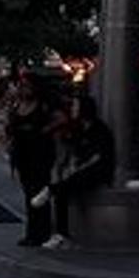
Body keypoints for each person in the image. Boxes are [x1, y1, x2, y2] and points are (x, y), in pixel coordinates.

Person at [45, 93, 114, 247]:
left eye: (76, 106)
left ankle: (51, 192)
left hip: (97, 171)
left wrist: (78, 167)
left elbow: (98, 157)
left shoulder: (99, 129)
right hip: (81, 171)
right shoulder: (78, 129)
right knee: (63, 189)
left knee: (62, 189)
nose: (73, 109)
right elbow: (74, 153)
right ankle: (60, 231)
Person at [5, 72, 62, 248]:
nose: (24, 88)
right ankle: (32, 231)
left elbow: (60, 119)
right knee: (28, 192)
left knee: (38, 192)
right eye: (22, 85)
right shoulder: (18, 105)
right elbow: (11, 126)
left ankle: (41, 232)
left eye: (27, 85)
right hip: (23, 154)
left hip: (40, 153)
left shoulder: (44, 106)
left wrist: (45, 131)